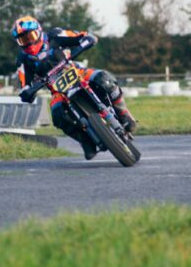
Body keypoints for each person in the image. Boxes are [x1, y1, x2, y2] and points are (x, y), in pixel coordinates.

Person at [12, 15, 137, 160]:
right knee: (57, 115)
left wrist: (87, 40)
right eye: (23, 40)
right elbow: (24, 84)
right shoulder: (23, 59)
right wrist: (27, 92)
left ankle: (124, 113)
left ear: (39, 31)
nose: (28, 42)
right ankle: (85, 141)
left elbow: (82, 36)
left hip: (78, 73)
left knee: (104, 79)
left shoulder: (55, 35)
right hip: (57, 90)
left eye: (30, 36)